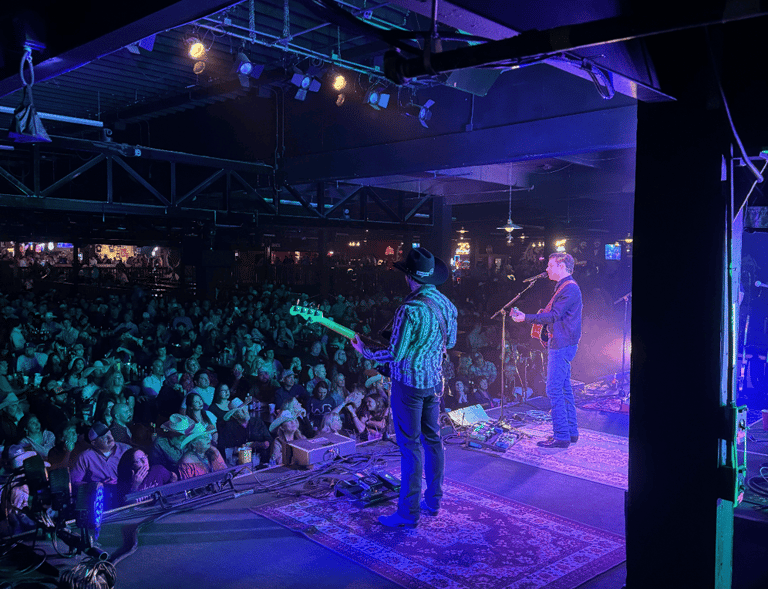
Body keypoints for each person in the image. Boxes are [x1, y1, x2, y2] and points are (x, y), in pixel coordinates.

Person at [351, 247, 457, 528]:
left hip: (408, 385)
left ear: (409, 277)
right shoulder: (447, 305)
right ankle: (433, 501)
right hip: (433, 383)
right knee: (433, 441)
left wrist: (365, 351)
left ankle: (408, 513)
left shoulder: (408, 310)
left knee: (410, 447)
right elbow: (451, 342)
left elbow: (395, 353)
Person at [510, 252, 583, 448]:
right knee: (564, 388)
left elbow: (554, 316)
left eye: (550, 265)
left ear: (562, 266)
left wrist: (526, 318)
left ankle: (561, 436)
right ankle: (571, 431)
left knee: (553, 389)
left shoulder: (569, 288)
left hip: (562, 344)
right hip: (564, 342)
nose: (547, 269)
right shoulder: (564, 287)